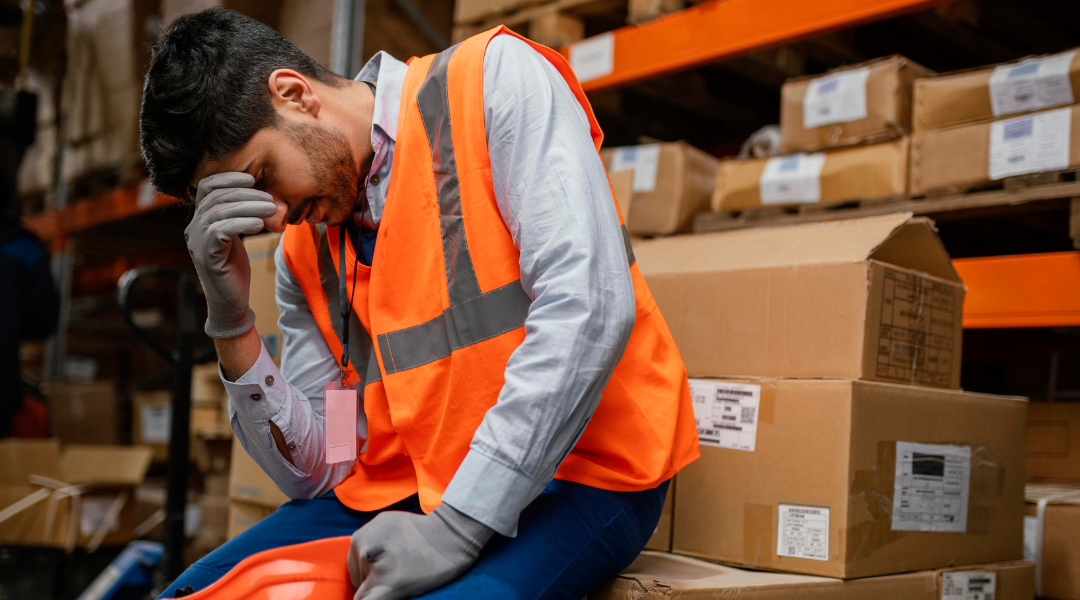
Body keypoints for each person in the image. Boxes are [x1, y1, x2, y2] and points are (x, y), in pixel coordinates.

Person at [139, 9, 699, 600]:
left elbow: (588, 307)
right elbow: (320, 469)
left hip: (581, 470)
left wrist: (454, 529)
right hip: (405, 486)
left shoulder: (491, 82)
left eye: (263, 174)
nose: (273, 216)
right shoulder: (307, 253)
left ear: (294, 94)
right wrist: (230, 322)